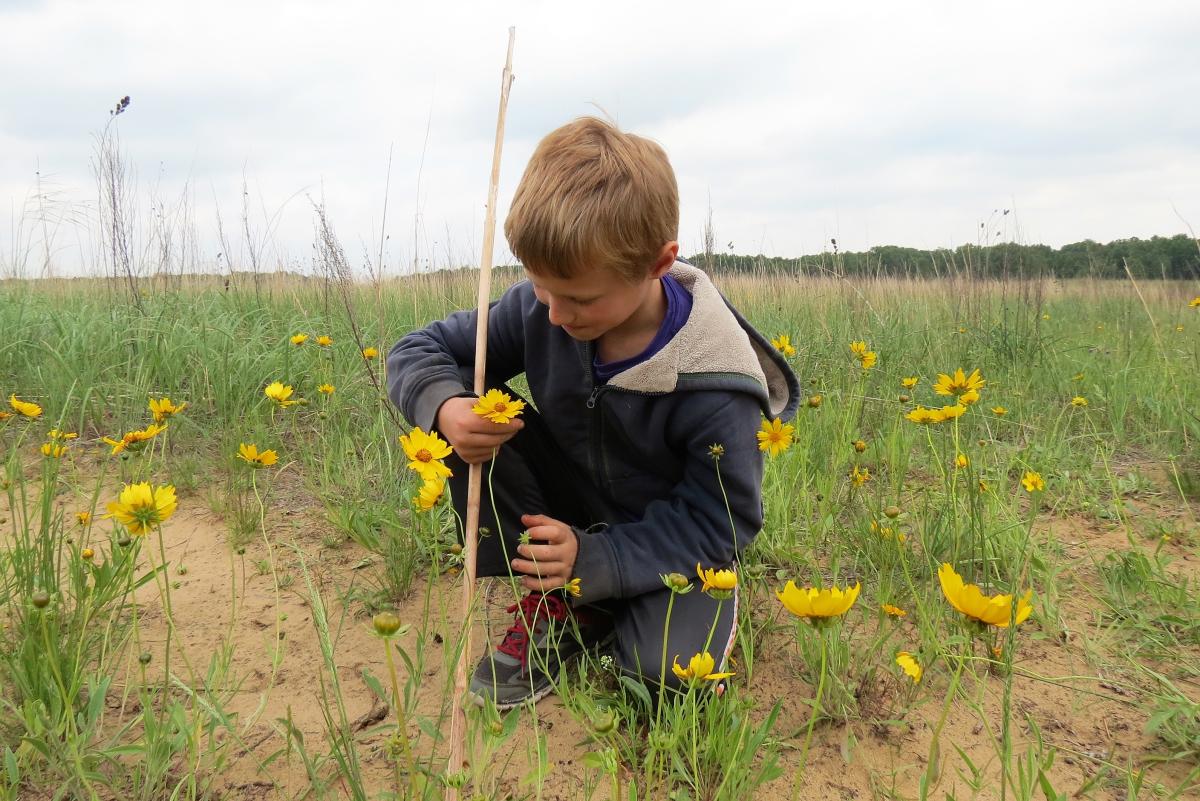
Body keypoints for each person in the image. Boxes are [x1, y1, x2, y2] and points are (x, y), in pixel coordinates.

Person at [386, 116, 799, 710]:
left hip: (672, 544)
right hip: (570, 507)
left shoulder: (716, 380)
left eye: (578, 299)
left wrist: (600, 557)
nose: (553, 314)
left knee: (667, 679)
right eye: (541, 288)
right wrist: (446, 408)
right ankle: (556, 598)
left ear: (658, 264)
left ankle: (597, 596)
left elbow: (721, 524)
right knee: (473, 414)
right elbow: (418, 350)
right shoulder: (541, 305)